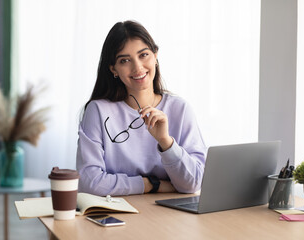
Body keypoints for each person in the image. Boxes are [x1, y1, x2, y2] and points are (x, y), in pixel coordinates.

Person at [76, 20, 207, 196]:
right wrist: (151, 185)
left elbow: (194, 183)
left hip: (170, 217)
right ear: (113, 69)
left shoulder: (180, 109)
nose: (137, 67)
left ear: (155, 56)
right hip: (119, 214)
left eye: (143, 55)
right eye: (125, 60)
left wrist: (165, 142)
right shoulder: (98, 111)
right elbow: (90, 183)